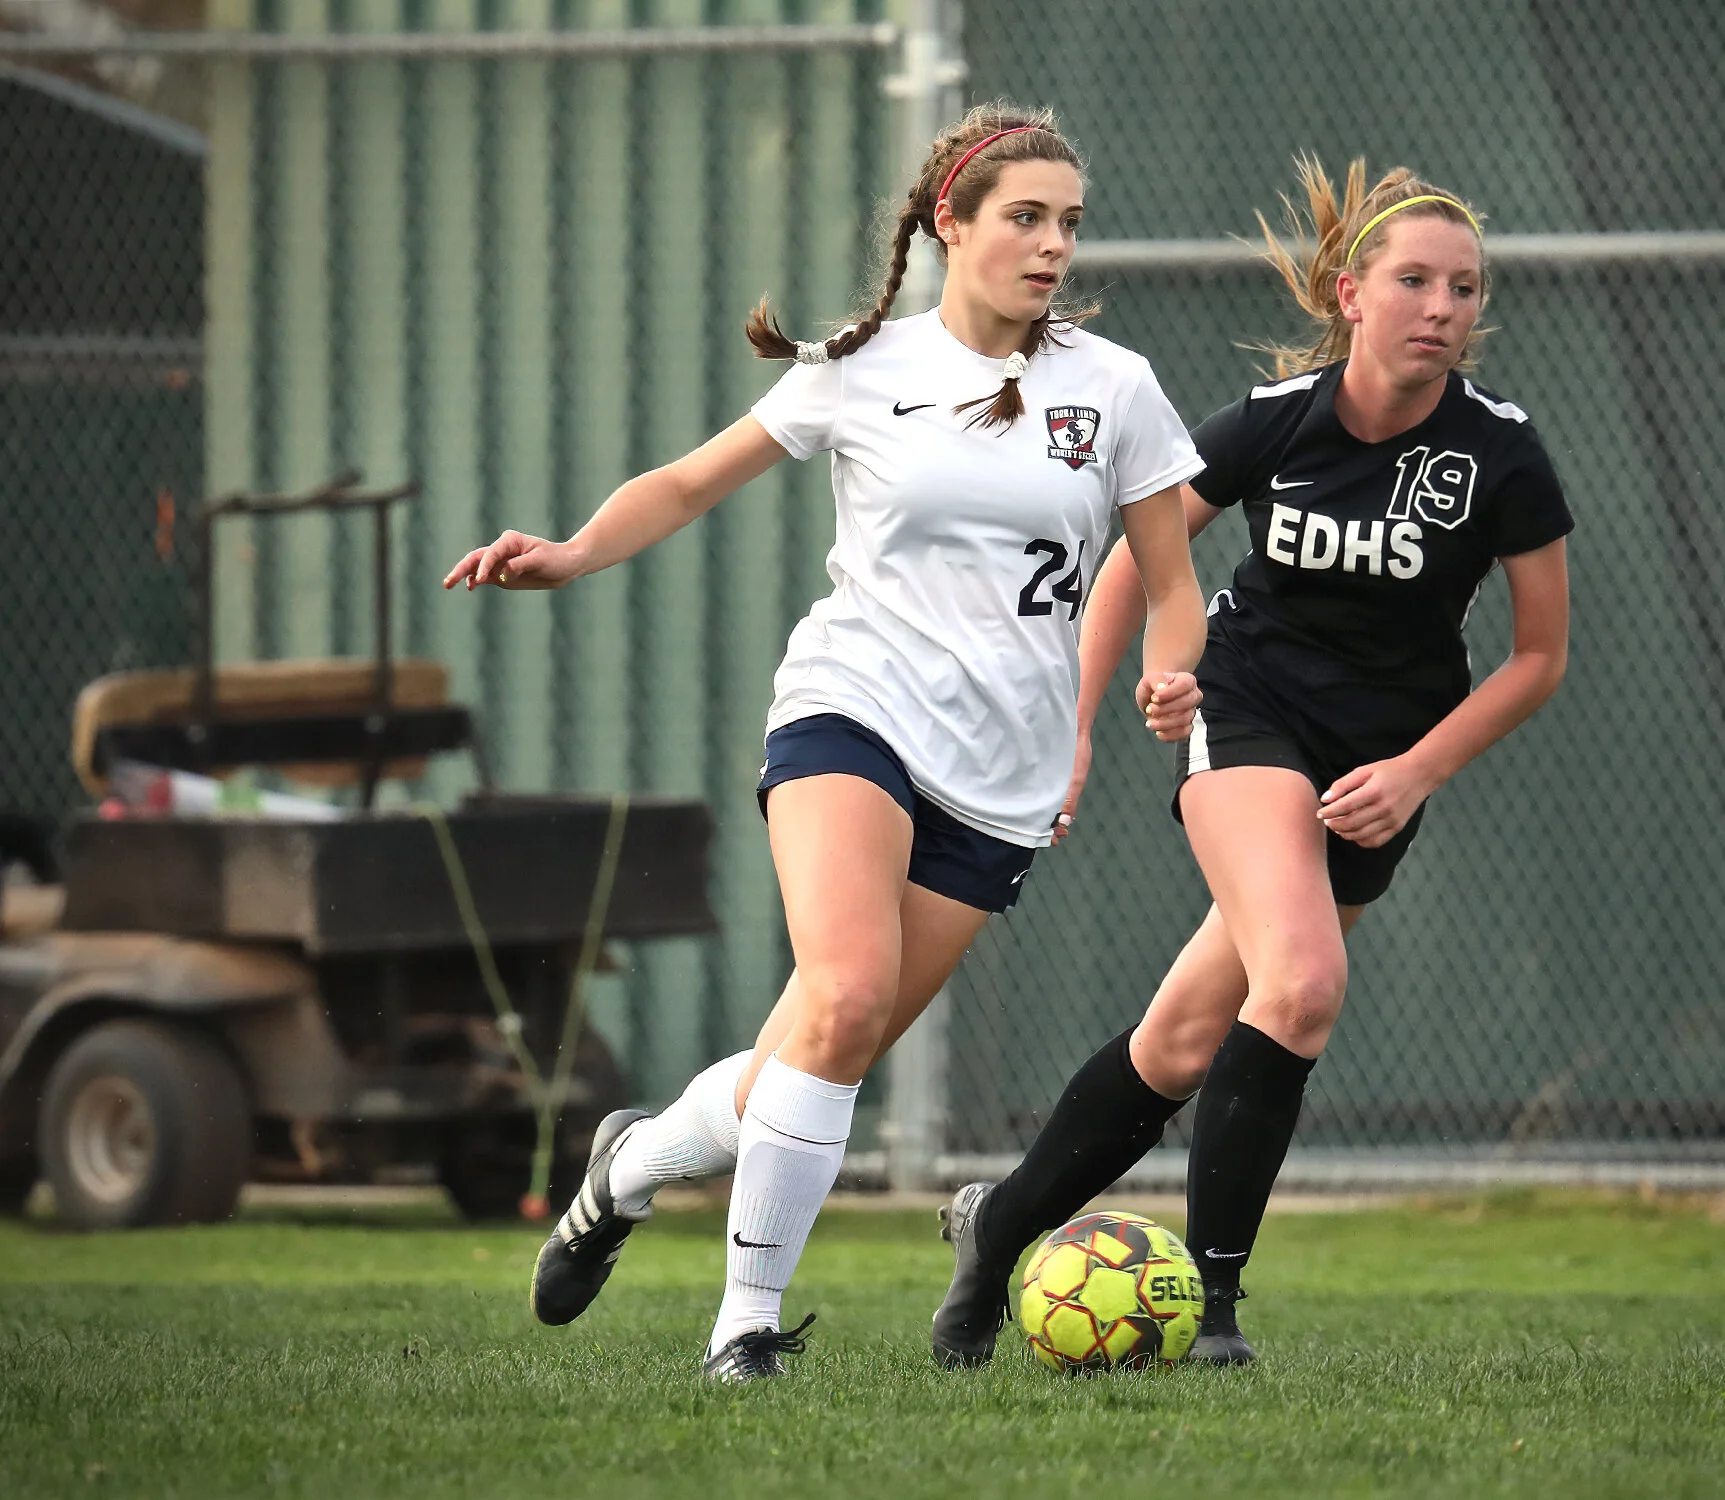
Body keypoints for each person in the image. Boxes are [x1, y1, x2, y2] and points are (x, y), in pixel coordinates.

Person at [442, 105, 1209, 1382]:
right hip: (852, 707)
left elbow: (1170, 578)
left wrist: (1168, 673)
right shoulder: (860, 368)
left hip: (1004, 775)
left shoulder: (1114, 386)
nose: (1052, 244)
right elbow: (688, 482)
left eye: (1069, 222)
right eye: (1024, 216)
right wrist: (572, 552)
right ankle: (745, 1328)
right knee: (844, 991)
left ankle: (625, 1168)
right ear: (947, 224)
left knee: (818, 1044)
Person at [929, 158, 1574, 1368]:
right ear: (1349, 293)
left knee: (1183, 1039)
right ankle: (1217, 1314)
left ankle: (1000, 1226)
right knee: (1304, 985)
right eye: (1416, 281)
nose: (1443, 307)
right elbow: (1135, 562)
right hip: (1249, 708)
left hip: (1382, 763)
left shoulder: (1501, 454)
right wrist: (1087, 714)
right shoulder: (1274, 425)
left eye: (1465, 288)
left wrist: (1421, 770)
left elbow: (1539, 656)